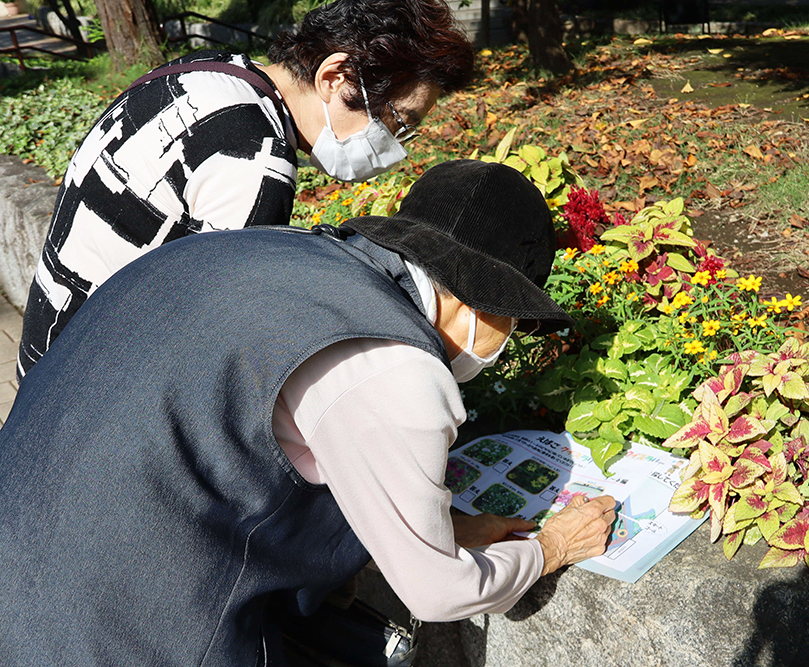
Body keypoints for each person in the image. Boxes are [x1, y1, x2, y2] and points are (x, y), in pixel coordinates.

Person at [0, 160, 617, 666]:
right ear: (479, 303)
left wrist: (450, 526)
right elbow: (438, 592)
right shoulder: (394, 367)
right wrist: (554, 547)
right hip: (116, 629)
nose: (508, 336)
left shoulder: (276, 255)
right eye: (514, 318)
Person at [16, 0, 474, 381]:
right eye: (397, 120)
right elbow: (220, 347)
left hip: (49, 345)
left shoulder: (206, 74)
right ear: (335, 77)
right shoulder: (255, 159)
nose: (395, 146)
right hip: (91, 389)